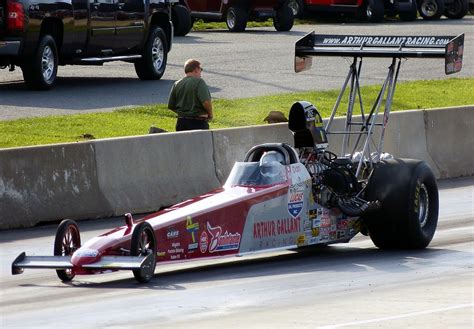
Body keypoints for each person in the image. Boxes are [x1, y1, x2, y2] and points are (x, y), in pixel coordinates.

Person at [168, 58, 213, 131]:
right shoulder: (199, 82)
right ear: (196, 69)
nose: (201, 72)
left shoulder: (177, 84)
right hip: (198, 123)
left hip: (181, 123)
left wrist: (184, 113)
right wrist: (210, 114)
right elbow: (206, 102)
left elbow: (171, 105)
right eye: (200, 69)